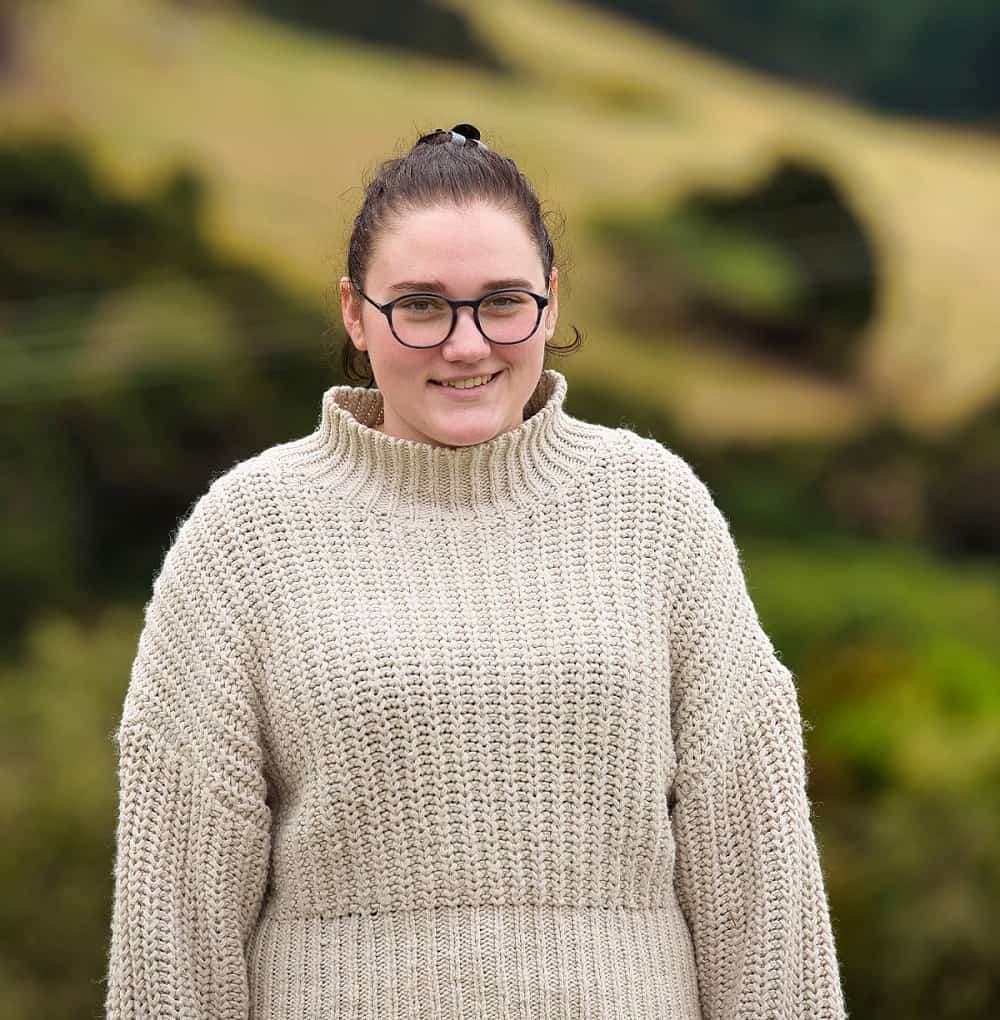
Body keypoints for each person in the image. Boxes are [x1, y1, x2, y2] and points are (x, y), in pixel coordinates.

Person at [103, 124, 848, 1019]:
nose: (466, 345)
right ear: (353, 310)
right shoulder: (247, 535)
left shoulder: (655, 510)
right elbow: (175, 923)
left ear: (550, 299)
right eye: (421, 305)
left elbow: (759, 878)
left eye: (501, 301)